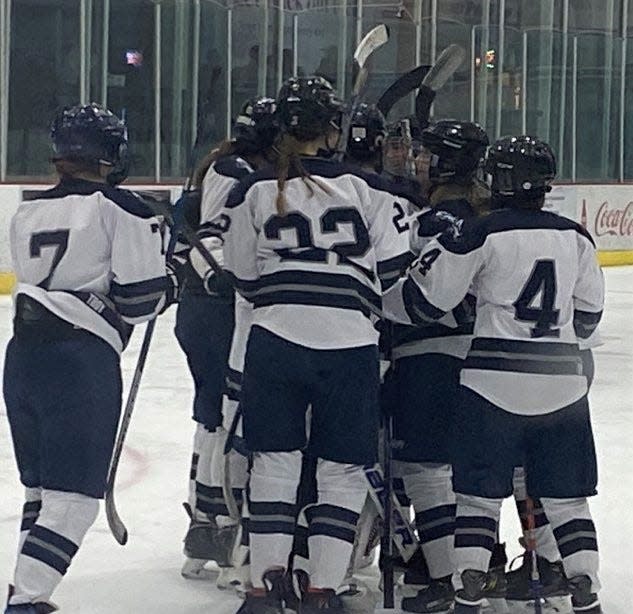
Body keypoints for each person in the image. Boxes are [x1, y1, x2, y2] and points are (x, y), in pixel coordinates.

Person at [384, 136, 604, 614]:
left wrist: (375, 298)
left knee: (478, 500)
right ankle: (584, 589)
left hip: (491, 386)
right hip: (563, 385)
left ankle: (469, 591)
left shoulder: (478, 233)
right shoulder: (577, 237)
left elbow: (423, 303)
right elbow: (589, 318)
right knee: (567, 500)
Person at [221, 76, 412, 614]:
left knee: (275, 464)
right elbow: (397, 273)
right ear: (333, 130)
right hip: (350, 344)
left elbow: (243, 274)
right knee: (341, 471)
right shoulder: (369, 191)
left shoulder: (254, 190)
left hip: (275, 340)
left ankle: (262, 589)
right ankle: (323, 590)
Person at [3, 103, 177, 613]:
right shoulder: (122, 207)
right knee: (75, 500)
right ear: (110, 153)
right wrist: (175, 277)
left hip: (22, 360)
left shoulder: (27, 210)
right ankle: (26, 602)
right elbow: (141, 301)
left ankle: (25, 588)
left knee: (42, 494)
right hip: (79, 364)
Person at [386, 120, 490, 614]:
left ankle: (447, 578)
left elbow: (414, 297)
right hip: (481, 359)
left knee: (425, 470)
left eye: (427, 155)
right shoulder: (486, 217)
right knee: (470, 475)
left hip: (427, 357)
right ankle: (476, 565)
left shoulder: (429, 223)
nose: (417, 162)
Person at [176, 97, 277, 585]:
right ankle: (218, 526)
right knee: (225, 419)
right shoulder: (237, 171)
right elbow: (213, 239)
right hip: (216, 309)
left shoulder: (219, 164)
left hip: (200, 308)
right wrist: (227, 279)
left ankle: (202, 526)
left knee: (210, 415)